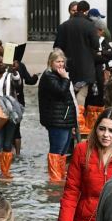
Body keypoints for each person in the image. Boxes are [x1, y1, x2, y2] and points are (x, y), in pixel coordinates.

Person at [52, 0, 100, 121]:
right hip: (85, 68)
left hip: (68, 67)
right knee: (82, 95)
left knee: (68, 94)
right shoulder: (89, 25)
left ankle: (68, 119)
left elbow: (57, 47)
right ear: (86, 11)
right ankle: (79, 121)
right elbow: (95, 45)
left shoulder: (64, 26)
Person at [38, 49, 77, 183]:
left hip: (64, 119)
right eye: (57, 61)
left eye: (62, 61)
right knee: (57, 149)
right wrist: (66, 78)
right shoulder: (49, 76)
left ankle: (60, 177)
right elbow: (60, 91)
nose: (61, 64)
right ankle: (55, 179)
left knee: (63, 151)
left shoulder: (58, 75)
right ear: (51, 62)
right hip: (56, 120)